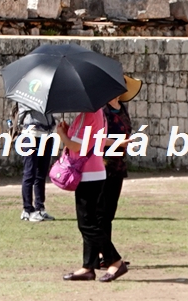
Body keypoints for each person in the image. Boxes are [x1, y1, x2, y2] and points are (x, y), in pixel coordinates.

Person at [55, 77, 138, 282]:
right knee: (91, 221)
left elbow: (77, 146)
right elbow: (98, 140)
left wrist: (61, 136)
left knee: (88, 223)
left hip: (89, 173)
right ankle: (88, 266)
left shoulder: (90, 114)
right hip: (95, 170)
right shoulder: (97, 113)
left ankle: (114, 261)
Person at [16, 99, 56, 223]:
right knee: (30, 173)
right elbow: (26, 109)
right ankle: (27, 209)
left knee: (41, 173)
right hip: (31, 134)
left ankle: (40, 207)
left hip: (47, 134)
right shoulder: (26, 93)